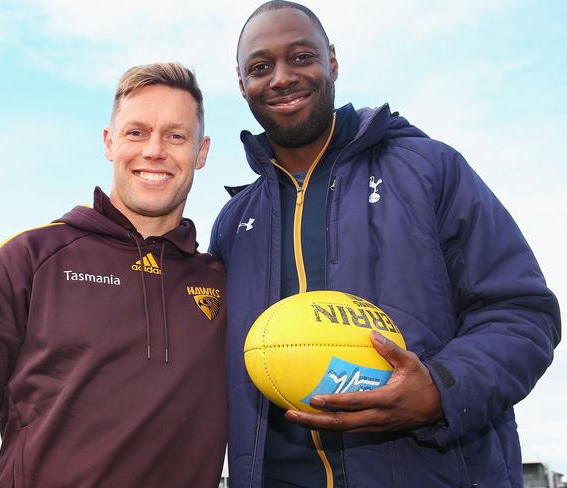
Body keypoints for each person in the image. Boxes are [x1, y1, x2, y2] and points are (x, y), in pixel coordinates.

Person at [209, 2, 561, 487]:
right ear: (241, 82)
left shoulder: (430, 170)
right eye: (261, 67)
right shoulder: (233, 223)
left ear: (332, 61)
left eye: (302, 57)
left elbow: (523, 313)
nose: (282, 78)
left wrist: (440, 390)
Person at [0, 62, 227, 487]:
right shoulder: (28, 259)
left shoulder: (222, 284)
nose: (154, 150)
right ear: (109, 142)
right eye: (136, 132)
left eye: (176, 135)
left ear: (201, 151)